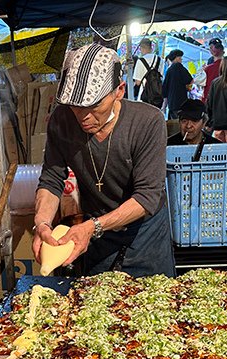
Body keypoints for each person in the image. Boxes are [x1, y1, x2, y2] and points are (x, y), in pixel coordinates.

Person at [34, 43, 175, 278]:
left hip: (144, 233)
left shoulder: (148, 121)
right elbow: (51, 180)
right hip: (96, 234)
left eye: (94, 105)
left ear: (119, 91)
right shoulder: (62, 120)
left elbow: (147, 195)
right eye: (75, 107)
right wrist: (41, 224)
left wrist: (92, 227)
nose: (84, 116)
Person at [162, 49, 193, 119]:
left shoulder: (169, 70)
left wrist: (164, 106)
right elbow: (190, 80)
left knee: (174, 123)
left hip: (172, 102)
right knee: (181, 121)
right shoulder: (180, 67)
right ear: (176, 58)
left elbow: (165, 88)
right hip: (181, 101)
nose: (181, 59)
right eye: (180, 58)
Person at [199, 38, 225, 103]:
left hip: (211, 100)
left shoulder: (208, 68)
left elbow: (199, 82)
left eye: (211, 48)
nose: (210, 49)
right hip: (225, 100)